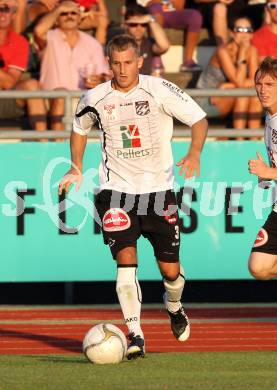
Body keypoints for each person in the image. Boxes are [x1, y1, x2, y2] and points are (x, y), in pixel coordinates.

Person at [59, 34, 208, 359]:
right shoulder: (95, 97)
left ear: (139, 61)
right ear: (109, 64)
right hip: (116, 192)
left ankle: (174, 305)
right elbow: (79, 128)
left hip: (158, 192)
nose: (123, 69)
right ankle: (136, 335)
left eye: (129, 62)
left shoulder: (158, 89)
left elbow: (198, 119)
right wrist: (76, 167)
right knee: (125, 263)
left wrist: (194, 153)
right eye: (116, 63)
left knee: (170, 271)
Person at [34, 0, 109, 132]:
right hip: (50, 98)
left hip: (82, 99)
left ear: (79, 17)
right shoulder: (49, 37)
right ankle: (58, 146)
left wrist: (99, 80)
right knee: (61, 94)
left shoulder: (92, 43)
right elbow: (38, 31)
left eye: (73, 13)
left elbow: (104, 76)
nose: (69, 16)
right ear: (57, 18)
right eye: (64, 13)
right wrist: (57, 9)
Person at [195, 16, 262, 134]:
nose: (244, 33)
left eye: (248, 30)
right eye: (239, 29)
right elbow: (239, 83)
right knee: (243, 95)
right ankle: (240, 141)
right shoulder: (223, 51)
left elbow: (255, 81)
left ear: (252, 34)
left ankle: (253, 140)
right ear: (232, 33)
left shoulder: (252, 50)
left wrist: (227, 86)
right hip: (207, 99)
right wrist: (241, 54)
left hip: (227, 94)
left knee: (254, 96)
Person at [248, 57, 277, 280]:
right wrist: (268, 172)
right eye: (259, 84)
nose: (263, 90)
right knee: (259, 266)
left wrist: (270, 172)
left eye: (269, 84)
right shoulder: (269, 116)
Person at [0, 0, 47, 133]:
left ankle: (44, 147)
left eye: (7, 10)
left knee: (32, 85)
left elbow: (9, 83)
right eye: (0, 9)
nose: (3, 14)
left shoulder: (19, 42)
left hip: (5, 99)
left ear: (14, 15)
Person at [146, 0, 203, 72]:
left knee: (195, 15)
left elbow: (178, 5)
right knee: (155, 8)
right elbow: (146, 5)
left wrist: (159, 1)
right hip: (147, 13)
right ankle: (156, 57)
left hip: (170, 12)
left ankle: (188, 61)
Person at [124, 3, 170, 75]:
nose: (139, 28)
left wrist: (150, 19)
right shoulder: (117, 44)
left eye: (143, 24)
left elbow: (164, 46)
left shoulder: (148, 43)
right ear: (126, 25)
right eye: (134, 24)